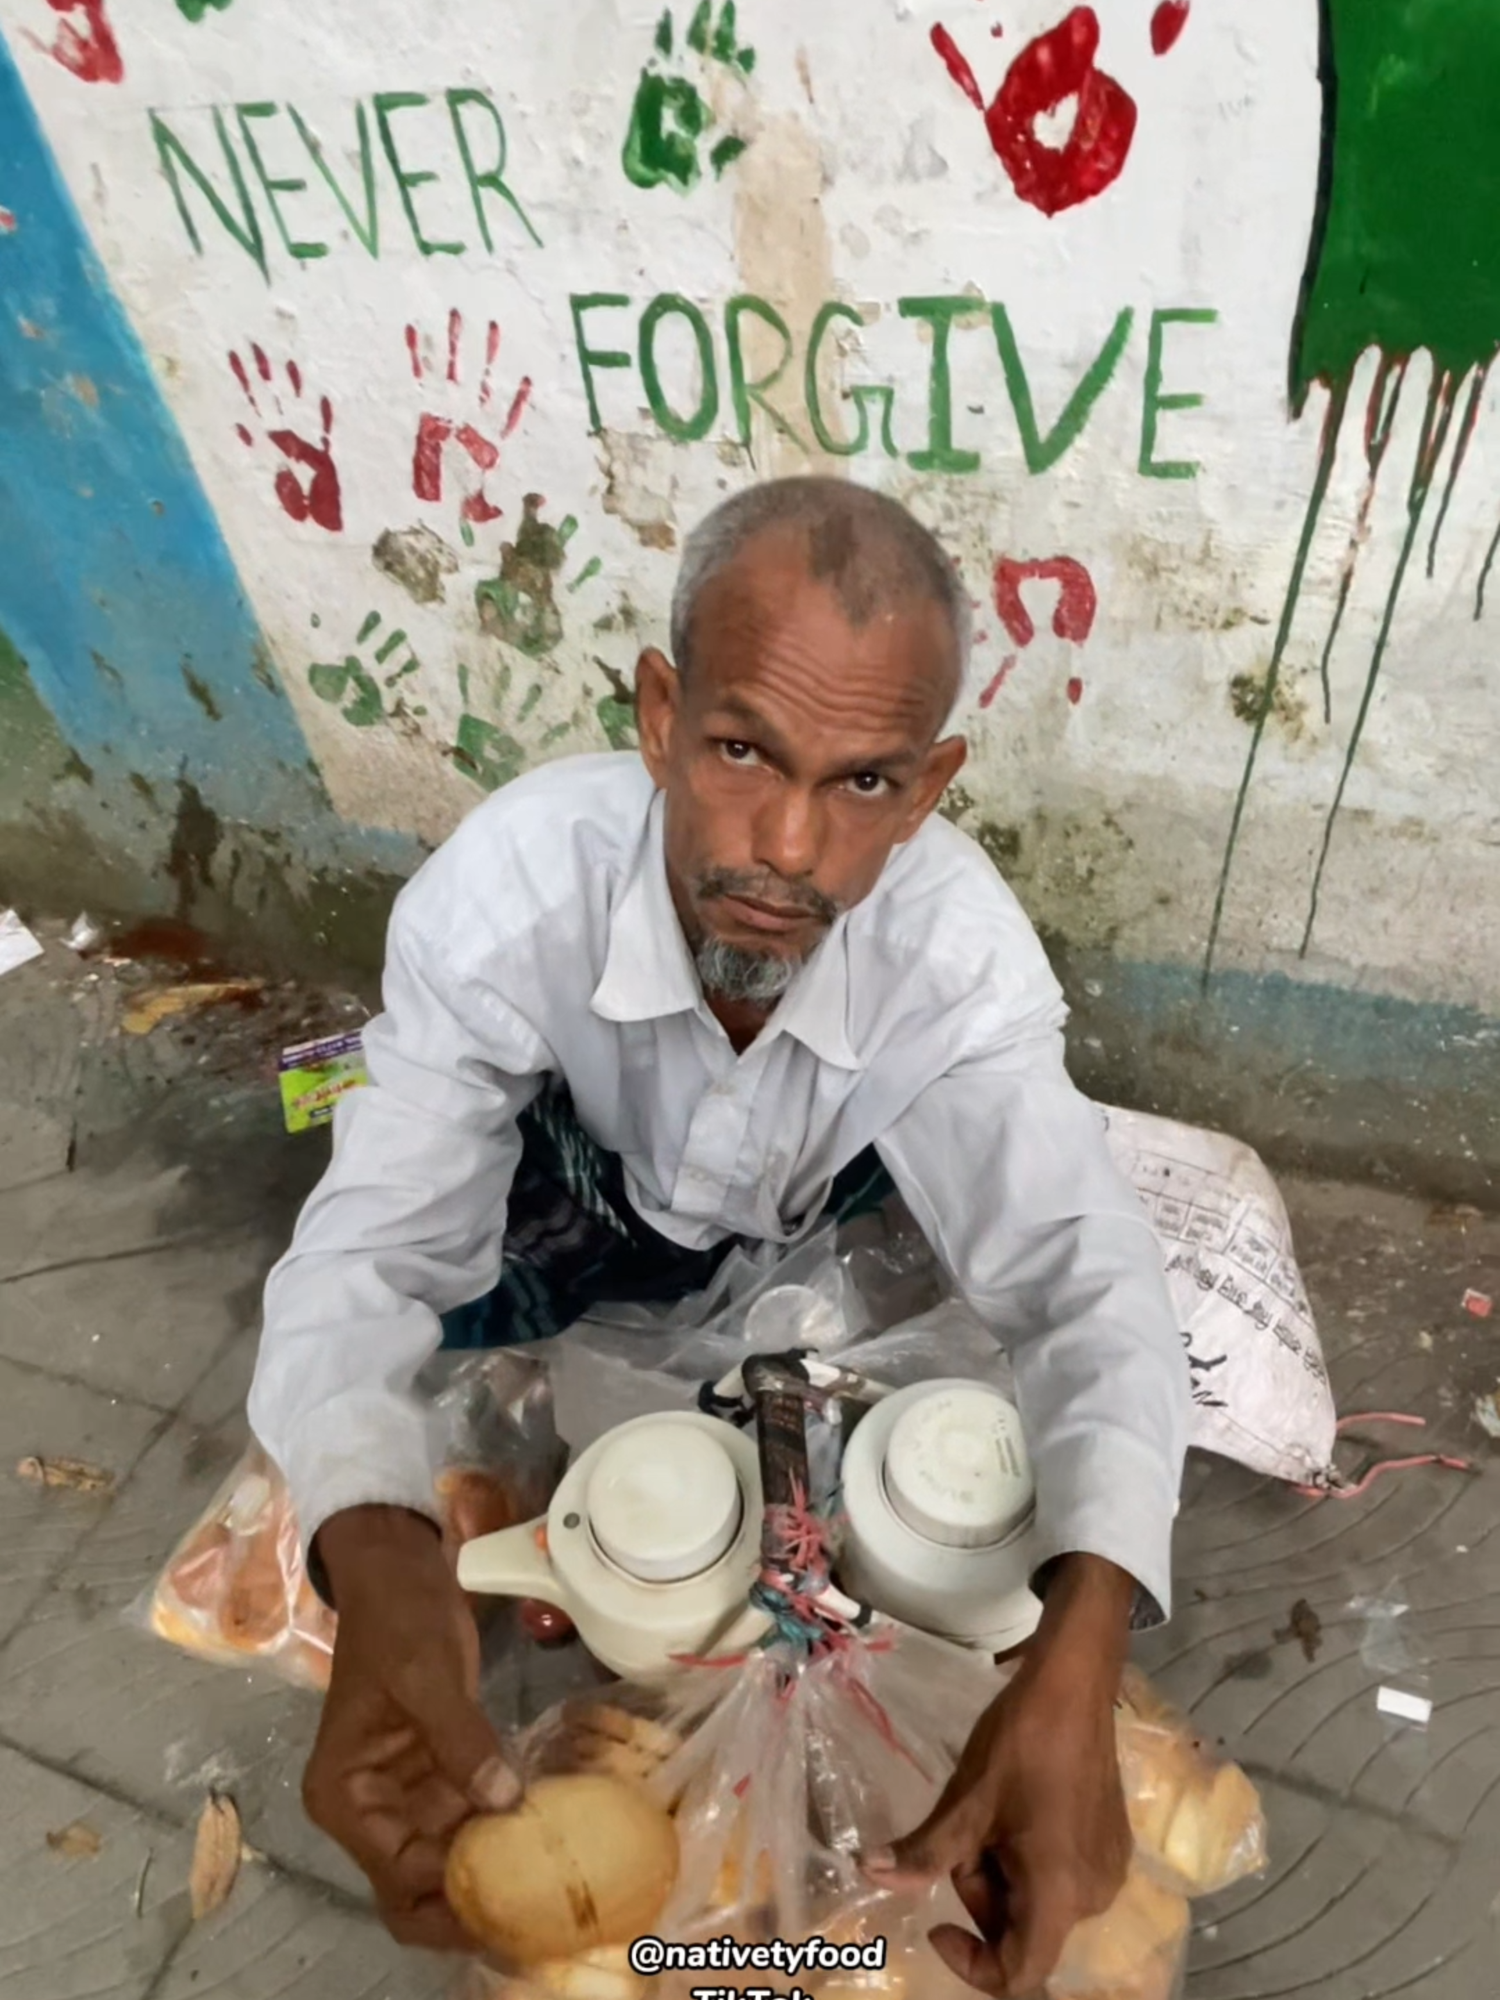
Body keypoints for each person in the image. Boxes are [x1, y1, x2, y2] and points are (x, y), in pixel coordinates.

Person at [249, 476, 1189, 1993]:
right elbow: (373, 1248)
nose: (793, 850)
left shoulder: (954, 954)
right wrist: (375, 1555)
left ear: (933, 785)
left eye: (868, 784)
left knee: (938, 1403)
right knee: (404, 1262)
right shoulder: (507, 891)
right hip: (587, 1183)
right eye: (743, 751)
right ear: (661, 716)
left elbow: (1085, 1281)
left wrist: (1086, 1643)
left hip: (814, 1204)